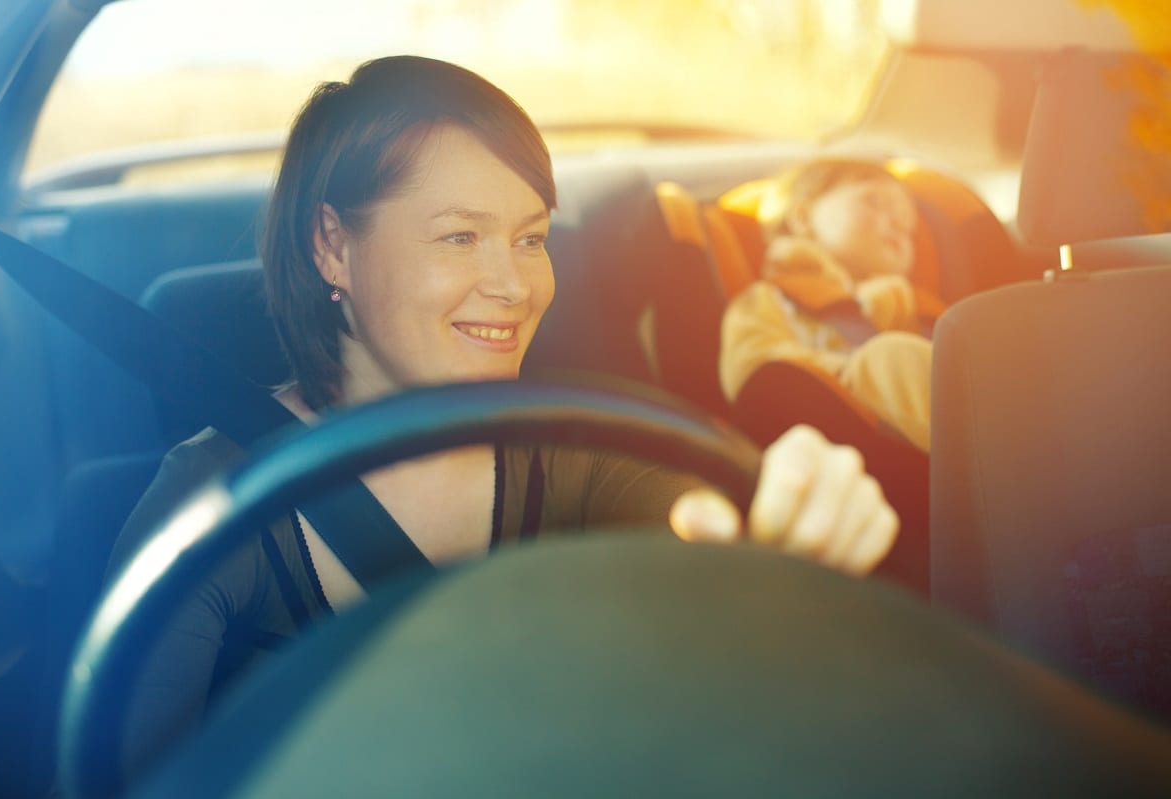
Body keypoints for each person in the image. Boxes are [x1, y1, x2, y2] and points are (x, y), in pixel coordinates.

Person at [104, 57, 900, 788]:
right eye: (460, 237)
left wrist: (782, 540)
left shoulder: (577, 448)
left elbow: (707, 533)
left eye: (529, 239)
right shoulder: (211, 502)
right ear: (332, 246)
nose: (514, 285)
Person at [719, 159, 943, 452]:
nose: (900, 223)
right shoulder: (771, 299)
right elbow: (754, 367)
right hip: (844, 432)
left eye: (909, 227)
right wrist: (851, 376)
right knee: (889, 356)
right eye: (877, 203)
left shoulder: (916, 306)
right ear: (803, 217)